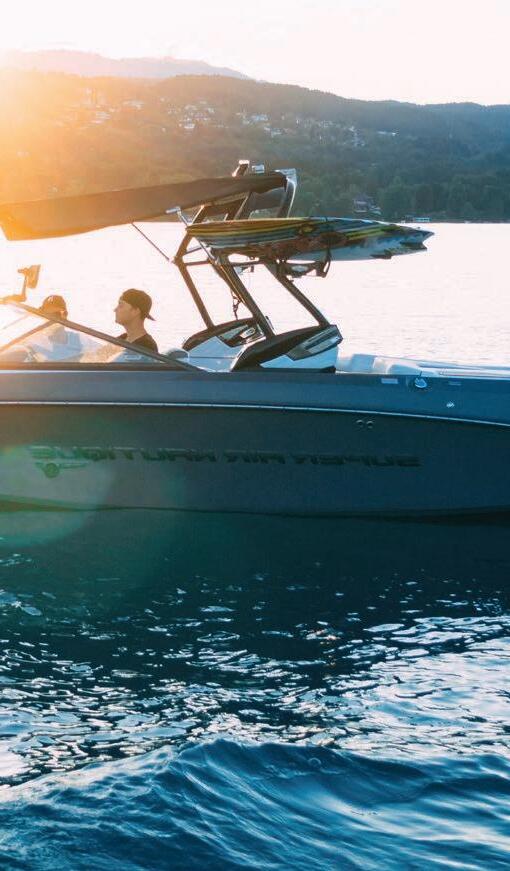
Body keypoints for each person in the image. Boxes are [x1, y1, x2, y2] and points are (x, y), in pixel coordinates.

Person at [114, 288, 158, 353]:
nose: (115, 310)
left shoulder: (146, 346)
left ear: (135, 311)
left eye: (121, 306)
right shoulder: (122, 338)